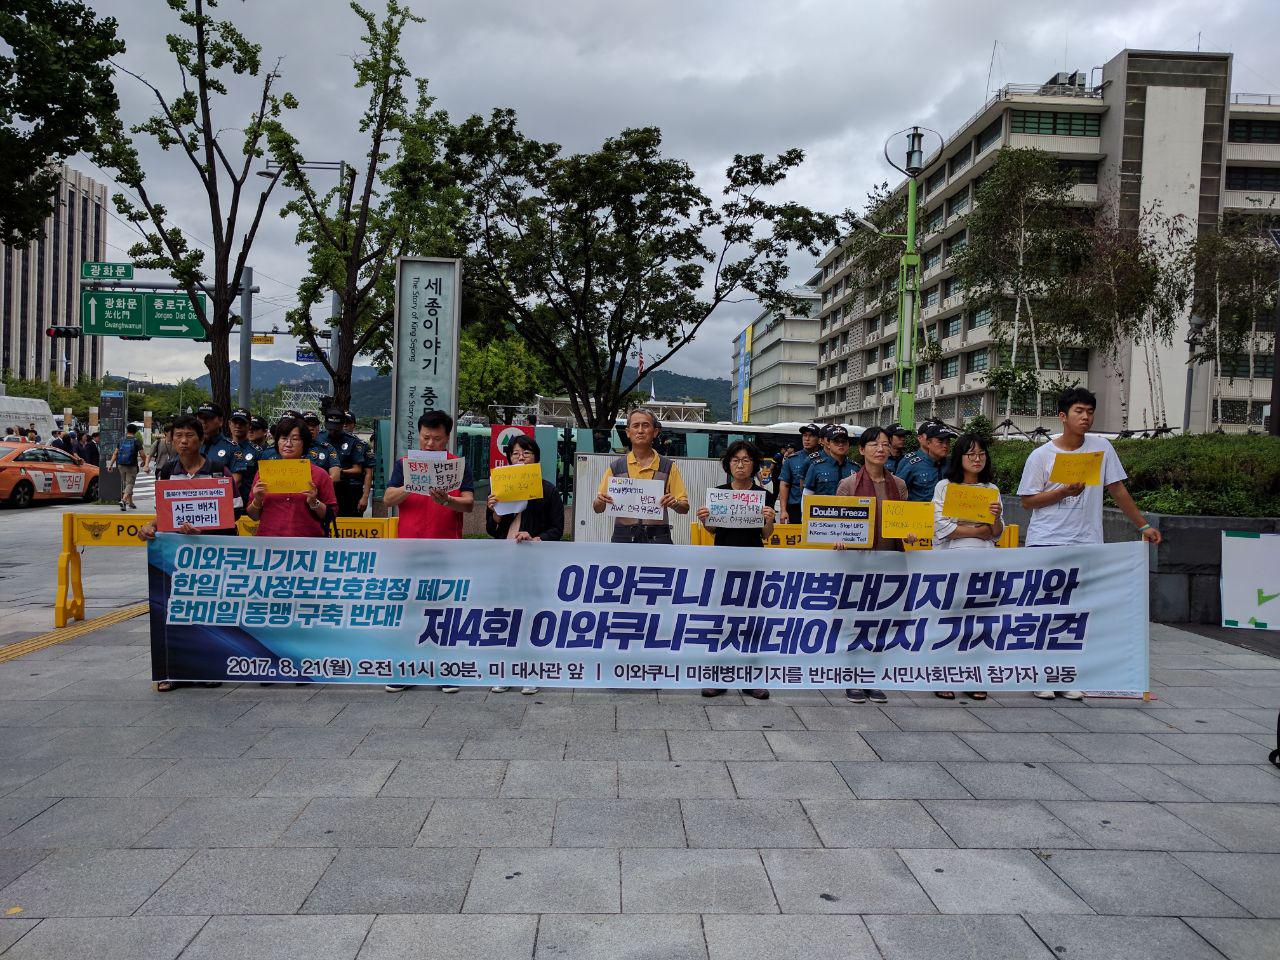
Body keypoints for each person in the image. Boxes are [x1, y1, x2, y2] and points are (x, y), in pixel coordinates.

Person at [1018, 386, 1162, 701]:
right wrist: (1062, 493)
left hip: (1086, 541)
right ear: (1062, 417)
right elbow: (1028, 501)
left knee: (1075, 612)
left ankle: (1067, 673)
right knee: (1045, 611)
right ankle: (1040, 674)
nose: (1085, 418)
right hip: (1048, 542)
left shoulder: (1101, 448)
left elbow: (1118, 490)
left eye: (1089, 412)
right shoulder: (1042, 455)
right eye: (1078, 412)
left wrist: (1144, 525)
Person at [138, 414, 241, 692]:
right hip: (175, 557)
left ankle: (208, 668)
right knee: (173, 612)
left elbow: (236, 513)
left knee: (208, 613)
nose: (183, 441)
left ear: (201, 438)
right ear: (171, 439)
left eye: (189, 436)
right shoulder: (167, 472)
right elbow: (164, 513)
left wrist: (206, 530)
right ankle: (171, 671)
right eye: (178, 436)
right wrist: (149, 526)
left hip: (210, 555)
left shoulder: (220, 471)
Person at [383, 410, 476, 693]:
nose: (430, 444)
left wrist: (448, 499)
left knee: (443, 610)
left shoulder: (456, 466)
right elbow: (388, 497)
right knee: (409, 610)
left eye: (437, 439)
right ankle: (406, 669)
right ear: (419, 435)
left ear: (447, 438)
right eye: (426, 438)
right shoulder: (405, 464)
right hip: (409, 548)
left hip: (445, 549)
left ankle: (445, 670)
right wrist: (411, 485)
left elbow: (470, 503)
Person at [833, 426, 910, 705]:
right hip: (858, 563)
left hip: (889, 562)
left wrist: (909, 532)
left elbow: (902, 524)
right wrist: (839, 539)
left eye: (885, 444)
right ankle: (852, 677)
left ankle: (873, 677)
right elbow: (838, 526)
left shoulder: (899, 485)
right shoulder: (849, 485)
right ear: (862, 450)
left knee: (881, 623)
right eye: (874, 444)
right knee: (855, 622)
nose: (881, 449)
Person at [696, 440, 777, 700]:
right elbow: (713, 530)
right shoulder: (718, 493)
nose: (740, 465)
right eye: (735, 460)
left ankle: (750, 677)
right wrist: (706, 520)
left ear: (754, 465)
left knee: (751, 620)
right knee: (721, 619)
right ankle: (719, 675)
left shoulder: (764, 496)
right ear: (728, 465)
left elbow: (766, 534)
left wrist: (769, 519)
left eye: (745, 460)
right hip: (723, 560)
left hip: (754, 561)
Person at [484, 434, 564, 695]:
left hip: (534, 562)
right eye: (516, 453)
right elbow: (491, 529)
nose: (520, 457)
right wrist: (494, 513)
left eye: (526, 453)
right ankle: (505, 672)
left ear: (536, 459)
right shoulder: (500, 489)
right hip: (505, 560)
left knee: (532, 616)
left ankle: (532, 671)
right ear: (508, 458)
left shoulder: (548, 490)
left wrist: (536, 538)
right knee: (506, 616)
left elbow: (558, 529)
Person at [931, 433, 1003, 701]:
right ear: (959, 458)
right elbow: (943, 528)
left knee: (979, 621)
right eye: (971, 454)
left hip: (984, 562)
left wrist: (991, 523)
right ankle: (941, 674)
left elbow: (995, 533)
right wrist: (976, 529)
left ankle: (973, 675)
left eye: (981, 454)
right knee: (948, 618)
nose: (977, 459)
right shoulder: (944, 487)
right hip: (950, 562)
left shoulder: (991, 489)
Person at [592, 409, 689, 543]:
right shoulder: (615, 468)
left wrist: (675, 503)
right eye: (635, 426)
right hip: (623, 538)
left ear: (655, 432)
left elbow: (684, 508)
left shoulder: (668, 467)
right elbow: (597, 508)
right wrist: (600, 501)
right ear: (628, 432)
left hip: (658, 538)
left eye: (646, 425)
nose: (640, 430)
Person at [245, 416, 337, 537]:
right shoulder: (264, 473)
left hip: (308, 544)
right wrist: (257, 500)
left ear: (304, 443)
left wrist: (314, 502)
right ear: (277, 442)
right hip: (269, 544)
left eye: (295, 439)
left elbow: (331, 515)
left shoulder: (320, 474)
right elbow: (253, 516)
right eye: (283, 438)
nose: (288, 444)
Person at [895, 422, 955, 502]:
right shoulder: (913, 465)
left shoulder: (952, 465)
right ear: (928, 443)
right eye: (940, 442)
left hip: (946, 512)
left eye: (948, 442)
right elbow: (897, 491)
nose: (945, 446)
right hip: (920, 512)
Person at [777, 424, 823, 524]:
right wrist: (783, 510)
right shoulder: (792, 459)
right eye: (805, 435)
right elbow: (784, 485)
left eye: (811, 436)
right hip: (795, 508)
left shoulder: (825, 459)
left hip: (819, 508)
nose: (807, 439)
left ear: (819, 440)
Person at [328, 410, 370, 518]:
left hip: (352, 489)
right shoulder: (324, 440)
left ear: (354, 425)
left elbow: (367, 472)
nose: (346, 425)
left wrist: (365, 496)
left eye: (349, 422)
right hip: (330, 489)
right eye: (344, 422)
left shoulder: (359, 444)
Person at [801, 424, 857, 497]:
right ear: (828, 444)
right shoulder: (816, 467)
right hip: (822, 508)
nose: (840, 444)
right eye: (836, 441)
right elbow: (806, 496)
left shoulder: (856, 468)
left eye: (844, 441)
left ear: (848, 444)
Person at [108, 423, 146, 511]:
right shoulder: (136, 441)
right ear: (135, 431)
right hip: (131, 465)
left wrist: (110, 464)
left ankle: (130, 503)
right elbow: (142, 454)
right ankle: (124, 500)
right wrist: (145, 462)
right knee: (130, 484)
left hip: (121, 465)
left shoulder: (121, 440)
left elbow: (115, 453)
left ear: (127, 430)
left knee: (126, 484)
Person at [302, 411, 342, 484]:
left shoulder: (327, 448)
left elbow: (336, 476)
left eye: (314, 425)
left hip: (320, 491)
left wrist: (317, 486)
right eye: (306, 425)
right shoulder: (289, 448)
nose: (311, 428)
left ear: (318, 428)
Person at [195, 402, 234, 474]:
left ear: (220, 421)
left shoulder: (231, 447)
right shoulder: (191, 445)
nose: (203, 421)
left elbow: (236, 480)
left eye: (208, 418)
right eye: (200, 418)